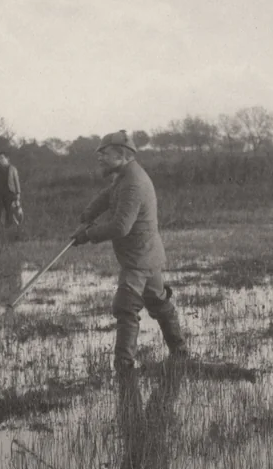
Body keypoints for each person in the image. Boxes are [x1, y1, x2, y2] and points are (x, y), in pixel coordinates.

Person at [70, 130, 189, 371]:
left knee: (125, 308)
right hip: (147, 255)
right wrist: (89, 213)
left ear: (121, 155)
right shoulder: (125, 175)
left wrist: (87, 235)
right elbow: (108, 195)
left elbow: (120, 226)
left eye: (104, 154)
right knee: (158, 302)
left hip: (139, 258)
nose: (100, 158)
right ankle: (180, 351)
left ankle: (124, 367)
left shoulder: (133, 183)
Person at [0, 151, 22, 239]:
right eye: (0, 159)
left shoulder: (13, 169)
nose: (1, 160)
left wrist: (18, 193)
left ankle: (13, 235)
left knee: (11, 215)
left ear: (7, 159)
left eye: (3, 158)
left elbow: (16, 182)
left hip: (10, 195)